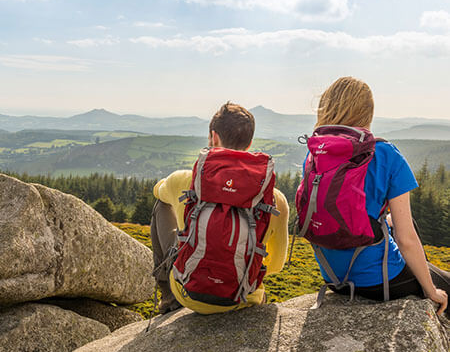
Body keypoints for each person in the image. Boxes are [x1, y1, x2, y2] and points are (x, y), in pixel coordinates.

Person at [306, 77, 449, 315]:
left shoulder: (315, 155)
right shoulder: (385, 153)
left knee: (395, 223)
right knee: (445, 282)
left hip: (333, 276)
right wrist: (431, 291)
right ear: (367, 112)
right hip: (377, 280)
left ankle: (425, 270)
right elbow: (406, 239)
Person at [151, 102, 289, 314]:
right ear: (250, 143)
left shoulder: (186, 180)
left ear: (213, 137)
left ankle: (169, 297)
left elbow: (157, 191)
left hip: (189, 293)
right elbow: (276, 264)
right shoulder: (274, 199)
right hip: (244, 297)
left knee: (161, 204)